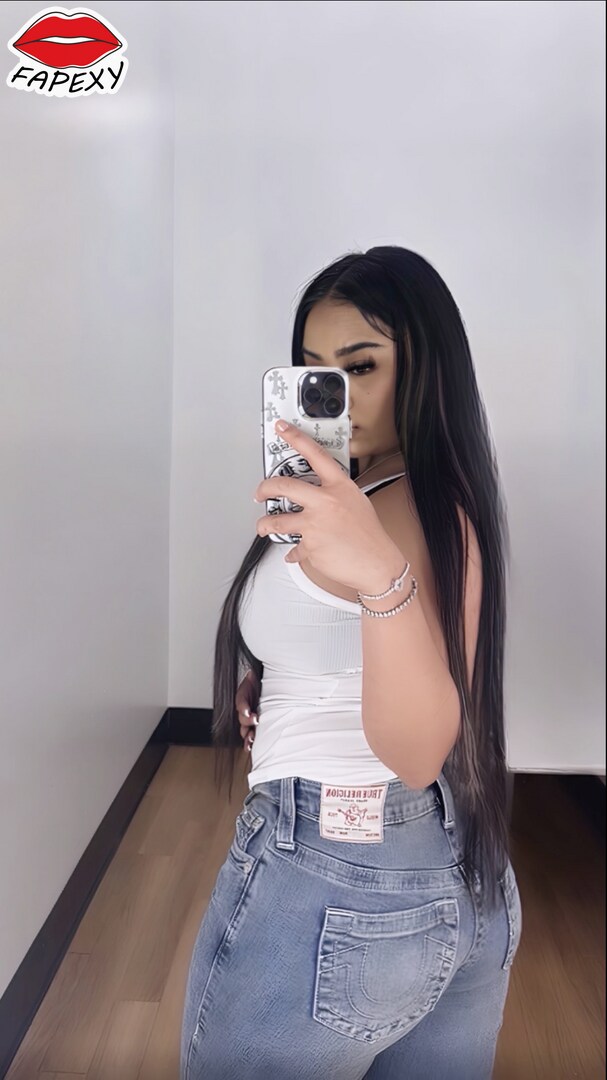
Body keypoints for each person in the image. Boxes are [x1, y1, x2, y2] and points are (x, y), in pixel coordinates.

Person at [180, 246, 523, 1080]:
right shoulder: (418, 497)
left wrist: (380, 580)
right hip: (461, 873)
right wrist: (281, 672)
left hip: (341, 882)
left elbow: (418, 749)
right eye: (313, 369)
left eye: (360, 367)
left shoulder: (396, 515)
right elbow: (384, 652)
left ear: (425, 371)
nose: (330, 393)